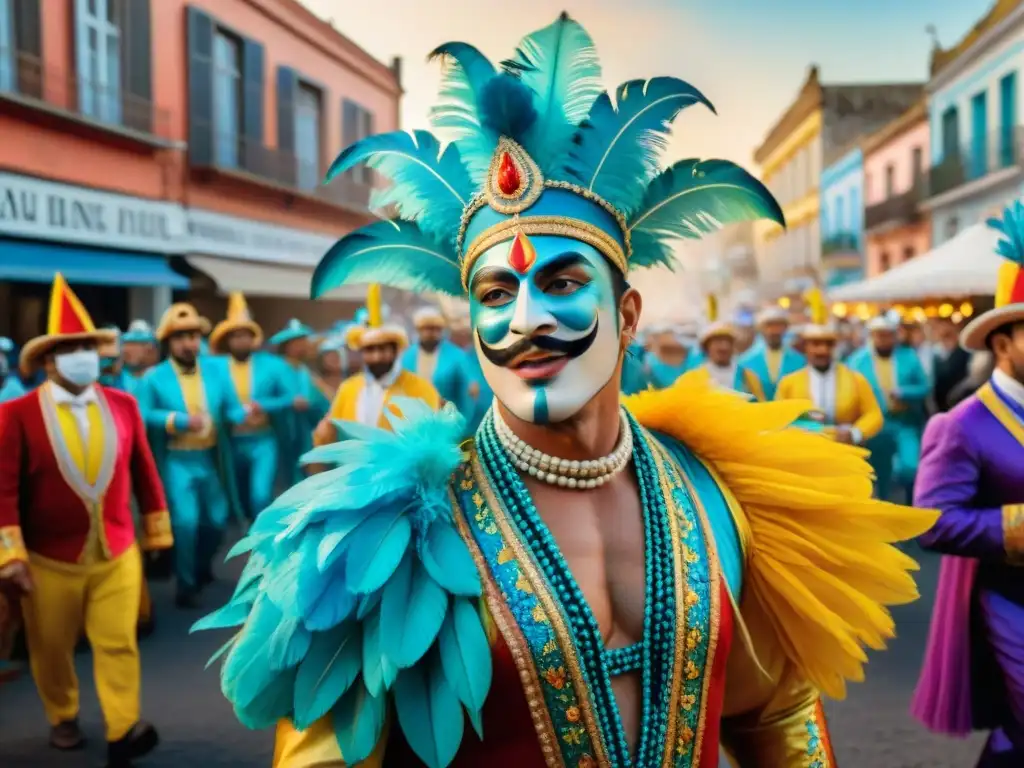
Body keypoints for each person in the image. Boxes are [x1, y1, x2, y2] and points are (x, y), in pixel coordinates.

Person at [198, 15, 936, 766]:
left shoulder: (721, 493)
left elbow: (775, 714)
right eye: (495, 292)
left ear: (626, 314)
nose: (525, 319)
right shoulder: (382, 531)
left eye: (560, 282)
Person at [0, 274, 171, 766]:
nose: (83, 356)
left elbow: (144, 469)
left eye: (88, 347)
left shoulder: (124, 403)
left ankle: (123, 728)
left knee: (118, 642)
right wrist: (10, 555)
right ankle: (63, 714)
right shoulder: (17, 414)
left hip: (116, 550)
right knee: (51, 649)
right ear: (49, 361)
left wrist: (157, 527)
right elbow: (4, 491)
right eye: (71, 348)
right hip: (47, 558)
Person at [912, 202, 1024, 766]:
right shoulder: (960, 425)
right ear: (1002, 343)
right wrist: (1013, 526)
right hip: (1007, 598)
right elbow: (931, 521)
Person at [135, 303, 250, 609]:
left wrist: (240, 413)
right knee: (185, 522)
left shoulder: (216, 370)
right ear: (168, 343)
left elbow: (229, 404)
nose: (188, 343)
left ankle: (201, 567)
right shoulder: (153, 378)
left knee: (216, 521)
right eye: (181, 337)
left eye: (193, 336)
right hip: (177, 460)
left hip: (209, 460)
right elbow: (143, 414)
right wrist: (178, 420)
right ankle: (186, 585)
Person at [312, 284, 440, 446]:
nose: (377, 356)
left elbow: (431, 439)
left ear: (396, 350)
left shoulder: (419, 387)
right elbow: (332, 432)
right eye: (370, 350)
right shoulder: (349, 388)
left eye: (383, 349)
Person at [208, 293, 295, 522]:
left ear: (253, 338)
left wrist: (264, 405)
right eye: (235, 336)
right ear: (228, 340)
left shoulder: (271, 365)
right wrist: (230, 414)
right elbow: (212, 401)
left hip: (263, 440)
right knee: (236, 497)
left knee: (260, 494)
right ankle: (244, 540)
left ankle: (262, 540)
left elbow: (290, 398)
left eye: (245, 336)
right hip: (233, 441)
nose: (241, 341)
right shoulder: (215, 368)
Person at [848, 314, 929, 500]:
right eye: (879, 335)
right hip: (875, 427)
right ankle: (885, 507)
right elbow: (849, 392)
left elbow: (925, 386)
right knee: (879, 473)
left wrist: (904, 392)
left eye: (887, 335)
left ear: (895, 336)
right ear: (872, 336)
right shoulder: (858, 361)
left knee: (910, 467)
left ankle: (912, 502)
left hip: (904, 423)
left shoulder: (908, 356)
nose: (883, 339)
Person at [775, 322, 884, 446]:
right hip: (803, 451)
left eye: (829, 344)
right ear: (805, 347)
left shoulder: (856, 379)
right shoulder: (789, 383)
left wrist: (855, 433)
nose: (823, 350)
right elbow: (778, 420)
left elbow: (874, 414)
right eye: (816, 344)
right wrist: (806, 425)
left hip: (847, 450)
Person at [268, 318, 331, 484]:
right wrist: (289, 402)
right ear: (287, 345)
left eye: (303, 340)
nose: (302, 345)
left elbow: (321, 399)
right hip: (282, 430)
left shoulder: (304, 370)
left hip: (304, 429)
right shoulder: (275, 368)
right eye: (297, 341)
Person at [401, 305, 473, 417]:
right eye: (426, 329)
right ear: (418, 330)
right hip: (414, 420)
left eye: (435, 329)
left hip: (447, 420)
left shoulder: (456, 356)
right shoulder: (406, 357)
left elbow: (466, 393)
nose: (430, 333)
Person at [739, 306, 806, 400]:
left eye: (778, 326)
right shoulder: (745, 362)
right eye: (769, 326)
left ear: (785, 328)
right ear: (761, 328)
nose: (774, 331)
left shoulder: (800, 361)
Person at [689, 320, 764, 399]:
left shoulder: (747, 377)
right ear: (706, 347)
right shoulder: (695, 378)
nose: (724, 347)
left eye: (728, 342)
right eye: (718, 342)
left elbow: (760, 406)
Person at [932, 316, 972, 412]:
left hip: (961, 400)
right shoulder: (935, 351)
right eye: (938, 327)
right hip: (941, 403)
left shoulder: (964, 349)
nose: (942, 329)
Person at [120, 321, 160, 386]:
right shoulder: (118, 377)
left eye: (132, 344)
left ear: (149, 347)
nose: (125, 350)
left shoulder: (161, 377)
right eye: (125, 343)